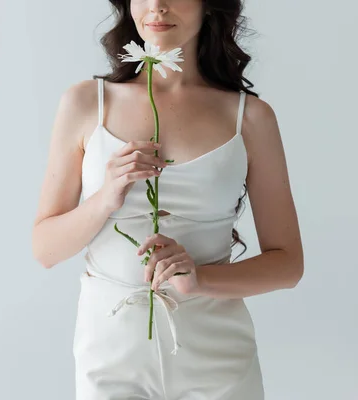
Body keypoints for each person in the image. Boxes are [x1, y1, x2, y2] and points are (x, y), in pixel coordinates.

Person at [32, 0, 304, 399]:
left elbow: (288, 264)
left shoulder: (251, 118)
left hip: (216, 355)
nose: (157, 6)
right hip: (110, 354)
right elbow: (45, 249)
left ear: (210, 5)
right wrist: (106, 197)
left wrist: (200, 279)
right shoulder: (86, 103)